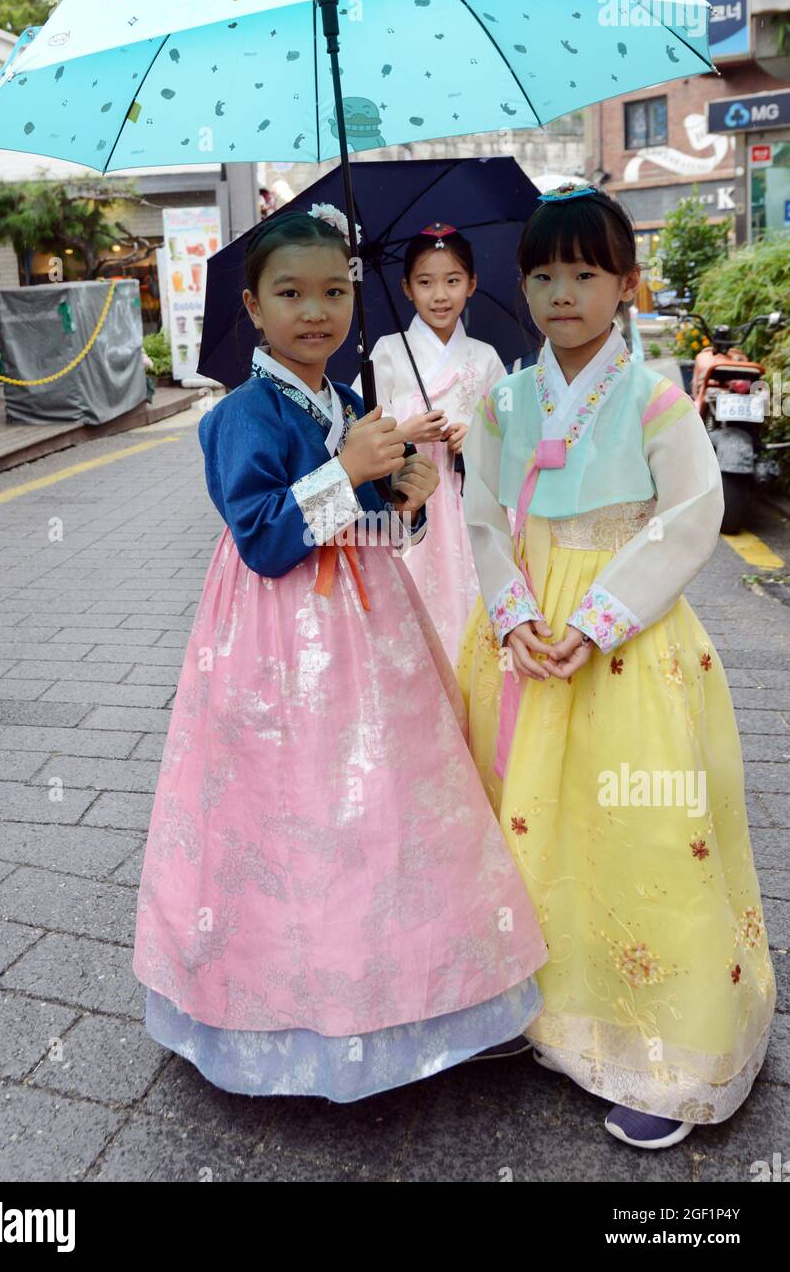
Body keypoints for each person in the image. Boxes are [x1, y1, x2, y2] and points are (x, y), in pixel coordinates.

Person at [132, 203, 548, 1103]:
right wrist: (345, 469)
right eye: (290, 293)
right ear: (253, 305)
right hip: (275, 642)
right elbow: (266, 540)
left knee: (392, 805)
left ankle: (419, 993)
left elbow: (377, 535)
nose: (314, 311)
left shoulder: (349, 399)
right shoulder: (241, 415)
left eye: (332, 292)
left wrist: (408, 495)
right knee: (295, 812)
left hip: (374, 630)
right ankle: (278, 1009)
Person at [456, 182, 775, 1149]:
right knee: (527, 821)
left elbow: (690, 521)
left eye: (585, 273)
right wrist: (513, 615)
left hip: (626, 643)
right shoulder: (504, 403)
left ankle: (668, 1053)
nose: (562, 292)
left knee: (639, 828)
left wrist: (596, 620)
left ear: (626, 285)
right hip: (524, 640)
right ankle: (535, 1006)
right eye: (543, 274)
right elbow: (480, 517)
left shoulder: (656, 400)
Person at [352, 224, 506, 663]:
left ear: (472, 285)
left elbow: (509, 437)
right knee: (409, 618)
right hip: (406, 498)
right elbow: (357, 433)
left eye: (453, 280)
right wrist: (405, 433)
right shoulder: (386, 352)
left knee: (474, 607)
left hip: (466, 498)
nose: (440, 294)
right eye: (425, 282)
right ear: (406, 288)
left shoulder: (486, 357)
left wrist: (475, 437)